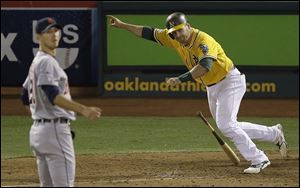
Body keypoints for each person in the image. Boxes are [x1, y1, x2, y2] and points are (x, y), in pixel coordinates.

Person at [107, 13, 288, 174]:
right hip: (212, 87)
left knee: (226, 125)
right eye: (173, 33)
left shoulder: (203, 41)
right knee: (229, 125)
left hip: (229, 82)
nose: (177, 35)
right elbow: (148, 32)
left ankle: (259, 159)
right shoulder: (174, 37)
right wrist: (123, 25)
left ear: (188, 26)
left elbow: (205, 66)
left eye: (179, 30)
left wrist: (180, 79)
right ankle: (274, 134)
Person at [21, 17, 102, 187]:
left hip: (38, 133)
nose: (54, 35)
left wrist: (40, 117)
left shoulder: (36, 62)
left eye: (55, 30)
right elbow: (53, 95)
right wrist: (83, 109)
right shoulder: (46, 62)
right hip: (54, 131)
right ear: (38, 37)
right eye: (48, 32)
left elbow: (24, 95)